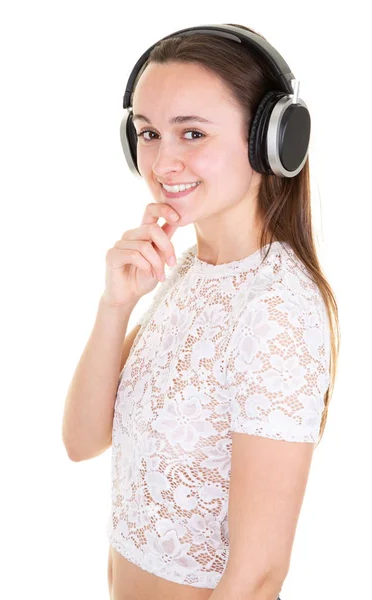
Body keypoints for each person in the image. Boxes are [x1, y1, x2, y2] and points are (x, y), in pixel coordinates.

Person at [62, 23, 340, 600]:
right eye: (147, 132)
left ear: (272, 140)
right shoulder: (189, 271)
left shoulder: (275, 308)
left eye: (192, 133)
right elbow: (82, 440)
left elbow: (259, 574)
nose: (163, 162)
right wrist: (116, 305)